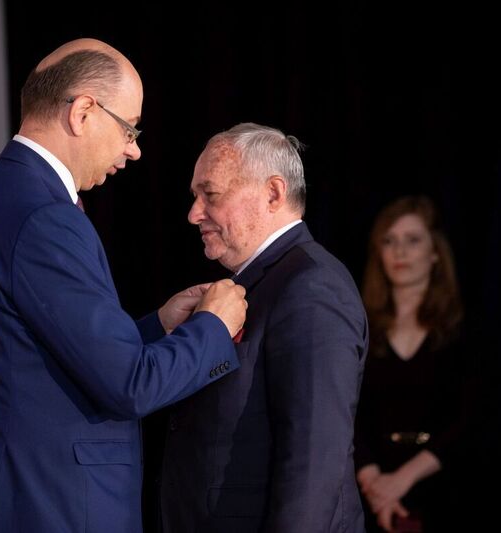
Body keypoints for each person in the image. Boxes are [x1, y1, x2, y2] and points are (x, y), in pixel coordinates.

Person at [0, 38, 247, 533]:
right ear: (82, 111)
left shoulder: (6, 193)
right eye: (129, 128)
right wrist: (213, 327)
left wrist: (159, 327)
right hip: (41, 508)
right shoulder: (43, 216)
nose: (134, 150)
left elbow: (43, 359)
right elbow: (129, 385)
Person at [158, 123, 368, 532]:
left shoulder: (311, 286)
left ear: (273, 193)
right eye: (194, 196)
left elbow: (314, 460)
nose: (194, 213)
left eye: (210, 195)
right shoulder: (263, 280)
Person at [354, 195, 479, 532]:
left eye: (413, 240)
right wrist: (375, 485)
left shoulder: (462, 330)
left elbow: (472, 418)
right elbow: (344, 412)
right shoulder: (359, 328)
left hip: (447, 488)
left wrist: (402, 480)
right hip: (369, 491)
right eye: (389, 241)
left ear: (435, 251)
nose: (400, 252)